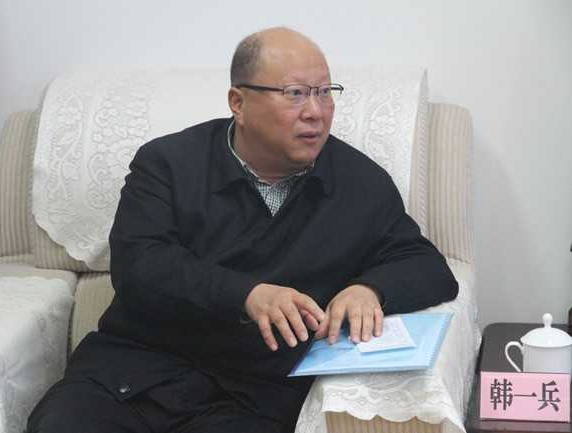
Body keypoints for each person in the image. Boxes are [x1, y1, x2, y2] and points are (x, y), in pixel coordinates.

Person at [27, 27, 458, 433]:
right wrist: (247, 295)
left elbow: (426, 264)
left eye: (325, 92)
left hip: (249, 397)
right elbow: (140, 266)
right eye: (295, 94)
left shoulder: (360, 182)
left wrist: (370, 289)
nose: (315, 111)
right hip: (130, 375)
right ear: (239, 102)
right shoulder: (168, 164)